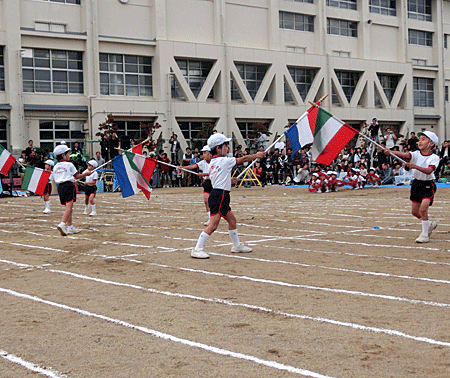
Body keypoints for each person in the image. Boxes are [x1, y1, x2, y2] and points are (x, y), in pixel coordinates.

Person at [191, 134, 266, 259]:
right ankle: (197, 248)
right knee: (213, 225)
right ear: (218, 148)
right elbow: (243, 159)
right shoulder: (224, 161)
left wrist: (230, 181)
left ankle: (236, 246)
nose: (227, 148)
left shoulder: (213, 163)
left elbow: (219, 177)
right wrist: (256, 155)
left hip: (221, 195)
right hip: (219, 196)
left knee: (232, 221)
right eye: (225, 145)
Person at [384, 131, 440, 243]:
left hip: (428, 184)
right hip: (416, 184)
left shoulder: (434, 157)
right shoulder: (415, 154)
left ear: (432, 143)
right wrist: (390, 152)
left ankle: (424, 235)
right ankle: (428, 224)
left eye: (423, 139)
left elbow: (429, 171)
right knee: (415, 212)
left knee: (423, 208)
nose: (420, 142)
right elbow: (405, 155)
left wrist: (414, 166)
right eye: (420, 139)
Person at [53, 145, 92, 236]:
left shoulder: (55, 167)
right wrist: (86, 174)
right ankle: (62, 224)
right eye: (68, 153)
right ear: (63, 155)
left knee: (67, 206)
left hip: (60, 187)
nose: (69, 155)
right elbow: (77, 176)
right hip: (68, 186)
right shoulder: (69, 164)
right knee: (69, 207)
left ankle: (70, 227)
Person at [179, 145, 213, 225]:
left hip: (215, 182)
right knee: (206, 200)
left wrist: (203, 174)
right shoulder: (202, 162)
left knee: (216, 201)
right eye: (203, 153)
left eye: (205, 152)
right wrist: (183, 168)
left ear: (210, 153)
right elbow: (193, 166)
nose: (203, 155)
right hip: (207, 182)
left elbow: (214, 173)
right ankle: (210, 218)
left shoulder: (215, 162)